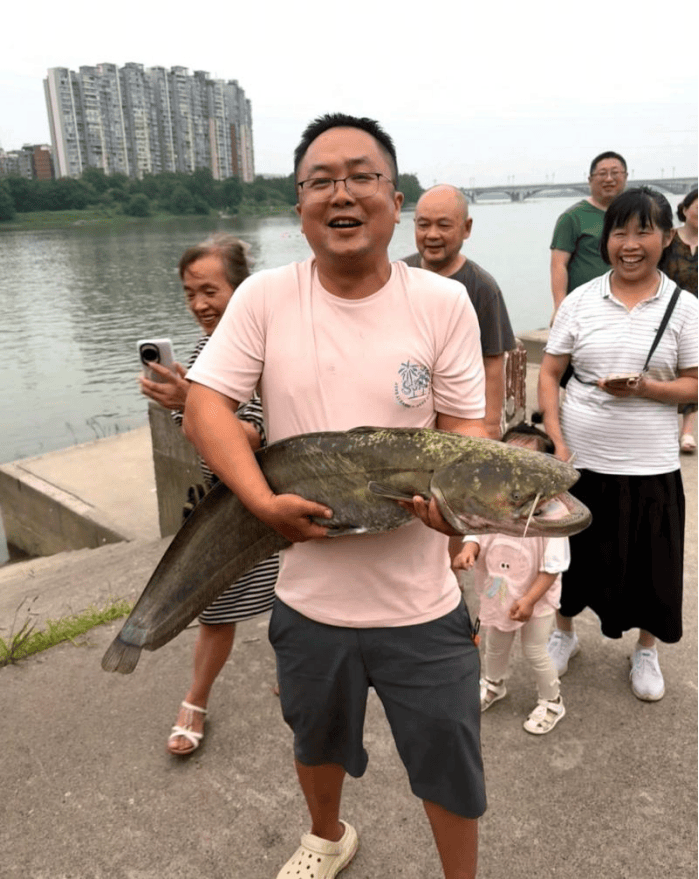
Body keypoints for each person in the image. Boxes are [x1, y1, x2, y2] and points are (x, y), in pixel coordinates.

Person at [183, 113, 488, 879]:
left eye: (361, 176)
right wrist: (258, 501)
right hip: (309, 597)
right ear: (298, 206)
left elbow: (462, 426)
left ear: (394, 198)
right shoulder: (264, 298)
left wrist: (450, 510)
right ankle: (327, 835)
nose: (340, 193)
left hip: (421, 600)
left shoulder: (442, 303)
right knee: (314, 740)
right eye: (320, 180)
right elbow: (205, 405)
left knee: (448, 757)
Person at [538, 187, 698, 703]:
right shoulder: (580, 300)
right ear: (606, 240)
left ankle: (646, 649)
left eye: (644, 232)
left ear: (666, 237)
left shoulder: (684, 308)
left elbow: (694, 383)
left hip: (650, 462)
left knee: (652, 563)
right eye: (619, 233)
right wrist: (556, 438)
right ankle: (564, 635)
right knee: (569, 557)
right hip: (581, 461)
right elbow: (550, 370)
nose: (630, 244)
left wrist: (648, 388)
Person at [140, 234, 279, 756]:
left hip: (266, 502)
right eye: (188, 293)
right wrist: (184, 402)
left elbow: (256, 439)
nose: (199, 304)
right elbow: (205, 436)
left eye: (209, 290)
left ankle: (297, 683)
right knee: (215, 612)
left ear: (240, 290)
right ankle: (195, 701)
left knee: (295, 604)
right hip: (225, 503)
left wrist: (187, 403)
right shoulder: (204, 353)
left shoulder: (265, 351)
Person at [453, 420, 569, 734]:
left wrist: (529, 600)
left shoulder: (554, 516)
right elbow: (477, 534)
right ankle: (493, 684)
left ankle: (552, 700)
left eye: (526, 466)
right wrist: (469, 551)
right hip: (498, 595)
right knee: (494, 644)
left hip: (536, 600)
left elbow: (551, 568)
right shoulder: (493, 505)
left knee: (535, 651)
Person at [403, 184, 515, 439]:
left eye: (444, 225)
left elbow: (493, 362)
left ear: (466, 228)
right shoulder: (399, 274)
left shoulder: (482, 287)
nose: (432, 234)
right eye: (423, 225)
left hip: (462, 414)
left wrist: (489, 427)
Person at [550, 151, 628, 318]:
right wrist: (560, 307)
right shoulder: (572, 217)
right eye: (602, 173)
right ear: (590, 180)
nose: (609, 179)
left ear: (626, 177)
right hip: (586, 309)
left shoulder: (634, 215)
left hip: (627, 304)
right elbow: (558, 265)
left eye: (615, 173)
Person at [659, 188, 698, 453]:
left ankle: (687, 431)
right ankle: (664, 426)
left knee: (694, 371)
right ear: (684, 209)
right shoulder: (669, 239)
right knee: (669, 369)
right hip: (670, 312)